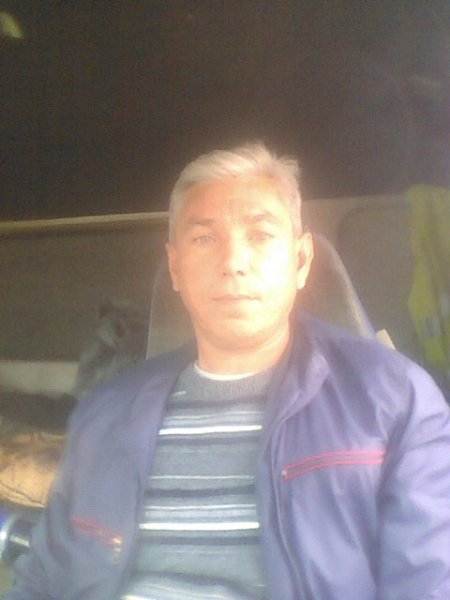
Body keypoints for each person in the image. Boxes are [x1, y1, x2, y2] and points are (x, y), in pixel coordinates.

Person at [4, 143, 450, 600]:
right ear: (175, 267)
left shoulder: (396, 400)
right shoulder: (108, 412)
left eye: (260, 235)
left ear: (300, 261)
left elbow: (427, 584)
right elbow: (43, 581)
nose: (234, 262)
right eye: (204, 239)